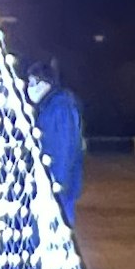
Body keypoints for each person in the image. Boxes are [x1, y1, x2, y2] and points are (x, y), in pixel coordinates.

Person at [37, 81, 88, 229]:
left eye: (34, 82)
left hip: (59, 182)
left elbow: (64, 148)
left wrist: (57, 182)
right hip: (56, 180)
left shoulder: (60, 108)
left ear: (45, 84)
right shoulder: (51, 106)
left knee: (60, 226)